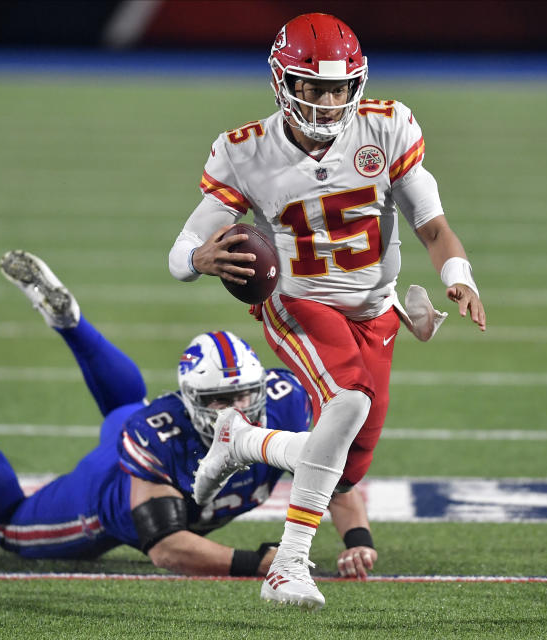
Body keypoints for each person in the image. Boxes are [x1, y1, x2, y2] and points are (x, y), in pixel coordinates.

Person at [169, 13, 486, 609]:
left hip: (376, 307)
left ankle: (241, 441)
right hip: (296, 300)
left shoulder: (387, 127)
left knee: (347, 469)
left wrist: (457, 275)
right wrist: (201, 258)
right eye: (312, 87)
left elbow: (433, 223)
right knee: (349, 402)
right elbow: (180, 251)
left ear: (356, 84)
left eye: (338, 88)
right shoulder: (246, 151)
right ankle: (288, 565)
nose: (326, 101)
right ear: (282, 82)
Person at [0, 250, 376, 579]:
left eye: (244, 395)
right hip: (110, 493)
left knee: (124, 405)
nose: (235, 410)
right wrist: (257, 561)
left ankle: (70, 322)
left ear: (261, 387)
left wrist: (356, 540)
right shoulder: (159, 434)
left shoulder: (287, 399)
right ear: (189, 402)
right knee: (10, 528)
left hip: (134, 420)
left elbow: (334, 477)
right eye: (217, 402)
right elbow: (165, 546)